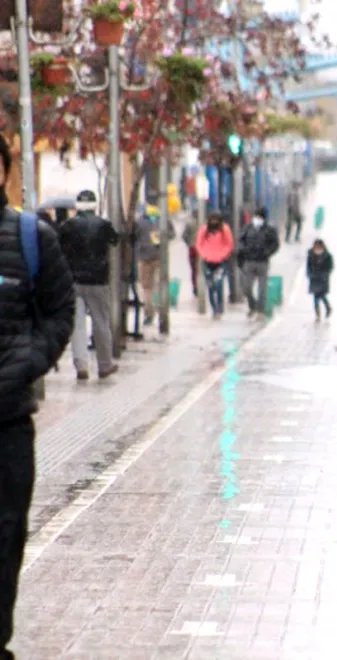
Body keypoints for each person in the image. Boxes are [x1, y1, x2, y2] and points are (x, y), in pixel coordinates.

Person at [0, 134, 75, 659]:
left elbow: (59, 312)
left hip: (7, 422)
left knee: (4, 542)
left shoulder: (32, 237)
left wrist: (27, 362)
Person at [57, 190, 119, 380]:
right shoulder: (104, 225)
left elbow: (59, 246)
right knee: (101, 322)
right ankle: (104, 365)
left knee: (77, 325)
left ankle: (81, 366)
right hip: (98, 281)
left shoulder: (68, 226)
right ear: (94, 206)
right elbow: (115, 240)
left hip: (73, 281)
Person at [134, 193, 175, 327]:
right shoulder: (162, 218)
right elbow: (172, 234)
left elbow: (133, 237)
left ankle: (150, 314)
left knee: (148, 288)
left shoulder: (141, 220)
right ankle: (156, 314)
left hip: (147, 257)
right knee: (154, 287)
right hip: (156, 256)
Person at [238, 207, 279, 319]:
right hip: (249, 261)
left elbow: (275, 244)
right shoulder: (247, 228)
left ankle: (261, 311)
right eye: (256, 217)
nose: (257, 219)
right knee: (246, 288)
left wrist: (267, 252)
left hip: (262, 262)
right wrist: (244, 250)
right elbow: (241, 240)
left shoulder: (270, 230)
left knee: (262, 289)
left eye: (260, 217)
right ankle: (252, 306)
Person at [195, 212, 235, 319]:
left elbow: (229, 244)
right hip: (208, 262)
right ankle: (214, 308)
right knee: (211, 286)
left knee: (219, 284)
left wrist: (223, 255)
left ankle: (220, 306)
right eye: (212, 220)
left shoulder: (225, 229)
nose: (214, 222)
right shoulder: (204, 229)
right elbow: (199, 244)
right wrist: (205, 255)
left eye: (216, 220)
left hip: (220, 262)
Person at [306, 238, 333, 321]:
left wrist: (325, 275)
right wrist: (309, 274)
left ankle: (327, 308)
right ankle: (318, 314)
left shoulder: (327, 256)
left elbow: (330, 267)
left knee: (322, 295)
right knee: (316, 297)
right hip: (314, 279)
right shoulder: (311, 255)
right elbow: (308, 266)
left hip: (323, 279)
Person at [181, 221, 199, 299]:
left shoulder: (190, 222)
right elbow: (184, 235)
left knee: (194, 270)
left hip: (193, 248)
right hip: (200, 249)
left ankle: (196, 288)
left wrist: (190, 243)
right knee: (196, 270)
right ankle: (197, 287)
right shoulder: (206, 220)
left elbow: (184, 235)